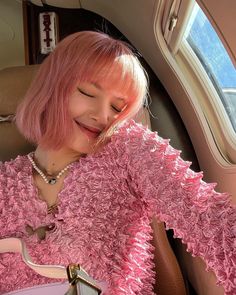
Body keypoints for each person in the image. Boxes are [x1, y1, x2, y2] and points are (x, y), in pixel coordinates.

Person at [0, 30, 235, 295]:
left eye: (117, 108)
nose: (102, 116)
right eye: (88, 92)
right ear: (52, 87)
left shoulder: (130, 148)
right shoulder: (4, 182)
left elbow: (207, 217)